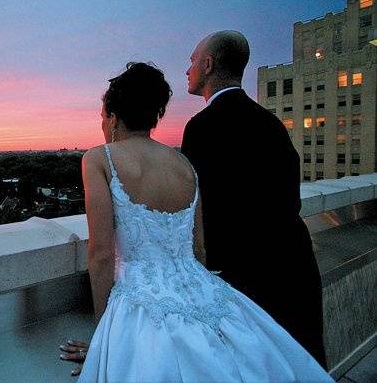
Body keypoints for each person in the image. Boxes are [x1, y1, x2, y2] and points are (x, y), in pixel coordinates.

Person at [62, 61, 333, 382]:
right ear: (155, 114)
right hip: (206, 292)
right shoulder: (184, 165)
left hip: (139, 304)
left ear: (111, 116)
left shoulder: (98, 158)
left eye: (102, 118)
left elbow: (102, 254)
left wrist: (103, 339)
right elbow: (199, 250)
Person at [181, 31, 327, 368]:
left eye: (191, 61)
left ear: (208, 64)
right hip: (293, 268)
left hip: (245, 281)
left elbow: (200, 210)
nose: (187, 70)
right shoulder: (272, 124)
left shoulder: (201, 128)